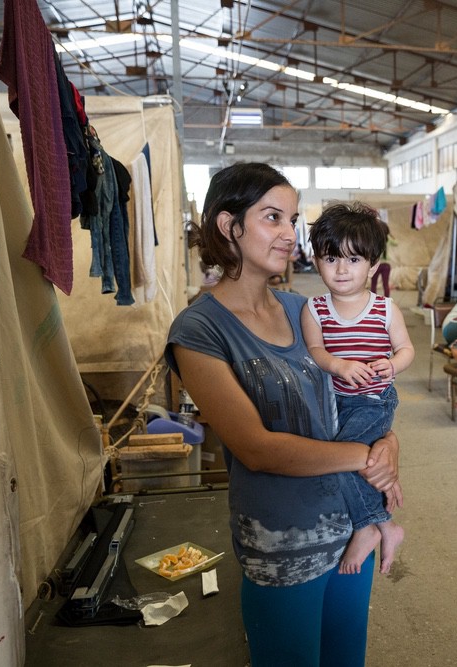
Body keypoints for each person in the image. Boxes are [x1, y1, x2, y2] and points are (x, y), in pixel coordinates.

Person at [165, 163, 402, 667]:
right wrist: (366, 457)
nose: (288, 234)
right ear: (229, 226)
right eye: (272, 217)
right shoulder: (200, 331)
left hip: (348, 536)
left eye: (292, 220)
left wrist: (389, 444)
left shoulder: (306, 309)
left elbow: (363, 397)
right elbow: (256, 448)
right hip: (281, 548)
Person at [301, 202, 414, 576]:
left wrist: (392, 364)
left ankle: (369, 526)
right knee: (348, 461)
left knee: (340, 459)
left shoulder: (385, 309)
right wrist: (338, 364)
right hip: (334, 403)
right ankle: (386, 526)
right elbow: (316, 351)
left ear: (372, 263)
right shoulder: (314, 309)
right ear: (316, 261)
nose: (342, 269)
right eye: (331, 258)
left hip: (374, 401)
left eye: (353, 259)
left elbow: (407, 350)